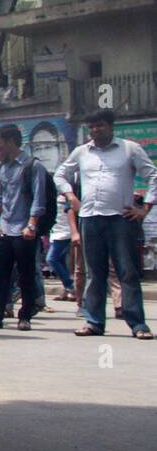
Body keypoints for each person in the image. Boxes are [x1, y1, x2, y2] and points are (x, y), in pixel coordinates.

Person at [55, 108, 157, 338]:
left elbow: (153, 176)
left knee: (127, 272)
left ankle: (138, 324)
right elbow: (60, 175)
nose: (95, 130)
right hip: (90, 218)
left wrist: (145, 208)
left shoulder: (129, 149)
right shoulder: (82, 152)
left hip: (121, 219)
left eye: (99, 125)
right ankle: (94, 322)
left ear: (111, 126)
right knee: (94, 273)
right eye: (91, 127)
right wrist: (71, 197)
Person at [0, 124, 48, 331]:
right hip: (5, 228)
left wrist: (32, 225)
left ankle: (25, 316)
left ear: (12, 142)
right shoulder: (3, 167)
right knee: (0, 275)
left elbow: (39, 198)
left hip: (24, 230)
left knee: (26, 275)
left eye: (0, 144)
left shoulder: (33, 166)